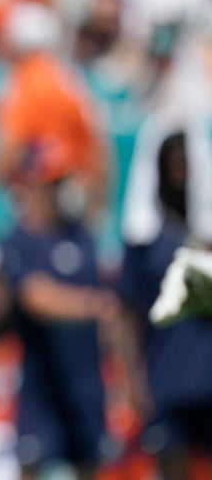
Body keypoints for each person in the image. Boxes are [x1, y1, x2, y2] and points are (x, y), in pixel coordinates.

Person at [0, 147, 130, 480]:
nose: (60, 190)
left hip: (85, 385)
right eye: (52, 182)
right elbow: (35, 296)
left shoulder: (82, 236)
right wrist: (91, 305)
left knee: (91, 465)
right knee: (33, 467)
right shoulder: (20, 241)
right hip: (43, 388)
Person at [121, 128, 212, 479]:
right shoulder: (145, 241)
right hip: (167, 378)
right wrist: (130, 381)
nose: (180, 173)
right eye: (172, 164)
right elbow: (126, 313)